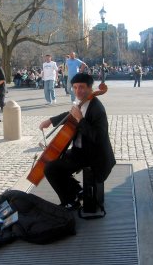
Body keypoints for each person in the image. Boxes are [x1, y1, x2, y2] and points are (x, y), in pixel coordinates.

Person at [39, 73, 116, 210]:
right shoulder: (82, 103)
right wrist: (50, 121)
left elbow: (97, 137)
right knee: (53, 159)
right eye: (74, 87)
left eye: (81, 87)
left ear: (90, 88)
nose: (77, 91)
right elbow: (70, 115)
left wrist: (80, 119)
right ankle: (77, 191)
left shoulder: (97, 109)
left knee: (51, 168)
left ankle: (70, 201)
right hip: (80, 150)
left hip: (93, 155)